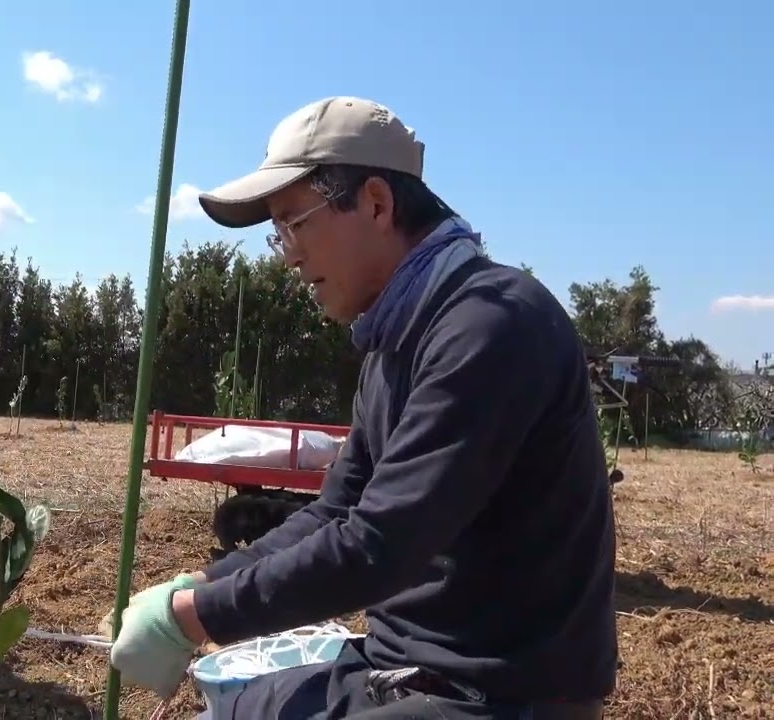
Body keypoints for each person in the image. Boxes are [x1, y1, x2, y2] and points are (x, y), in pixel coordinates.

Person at [109, 97, 617, 719]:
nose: (288, 255)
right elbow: (336, 510)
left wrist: (194, 618)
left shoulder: (492, 326)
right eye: (278, 233)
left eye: (295, 223)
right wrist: (203, 584)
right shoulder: (394, 342)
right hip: (400, 668)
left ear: (376, 203)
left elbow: (380, 544)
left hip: (497, 695)